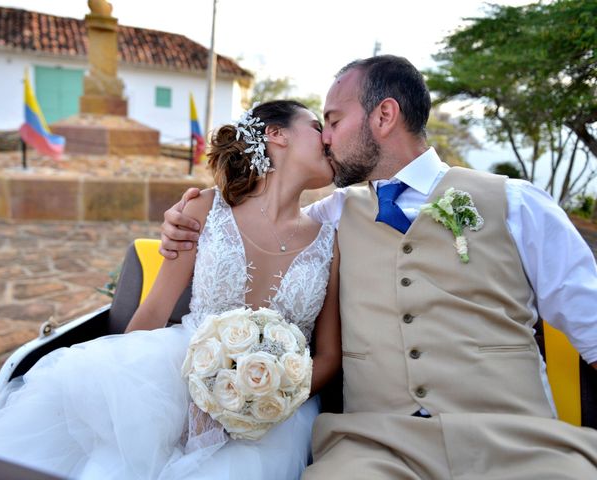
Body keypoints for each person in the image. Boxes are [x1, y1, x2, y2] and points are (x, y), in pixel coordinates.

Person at [159, 55, 597, 479]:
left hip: (522, 445)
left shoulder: (517, 203)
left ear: (384, 116)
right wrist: (184, 220)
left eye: (333, 121)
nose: (326, 138)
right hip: (374, 449)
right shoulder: (330, 217)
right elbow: (255, 223)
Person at [0, 100, 341, 480]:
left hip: (276, 408)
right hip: (173, 371)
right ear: (276, 135)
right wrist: (126, 386)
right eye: (314, 125)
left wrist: (263, 401)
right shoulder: (203, 210)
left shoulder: (329, 241)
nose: (327, 138)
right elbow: (155, 309)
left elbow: (327, 354)